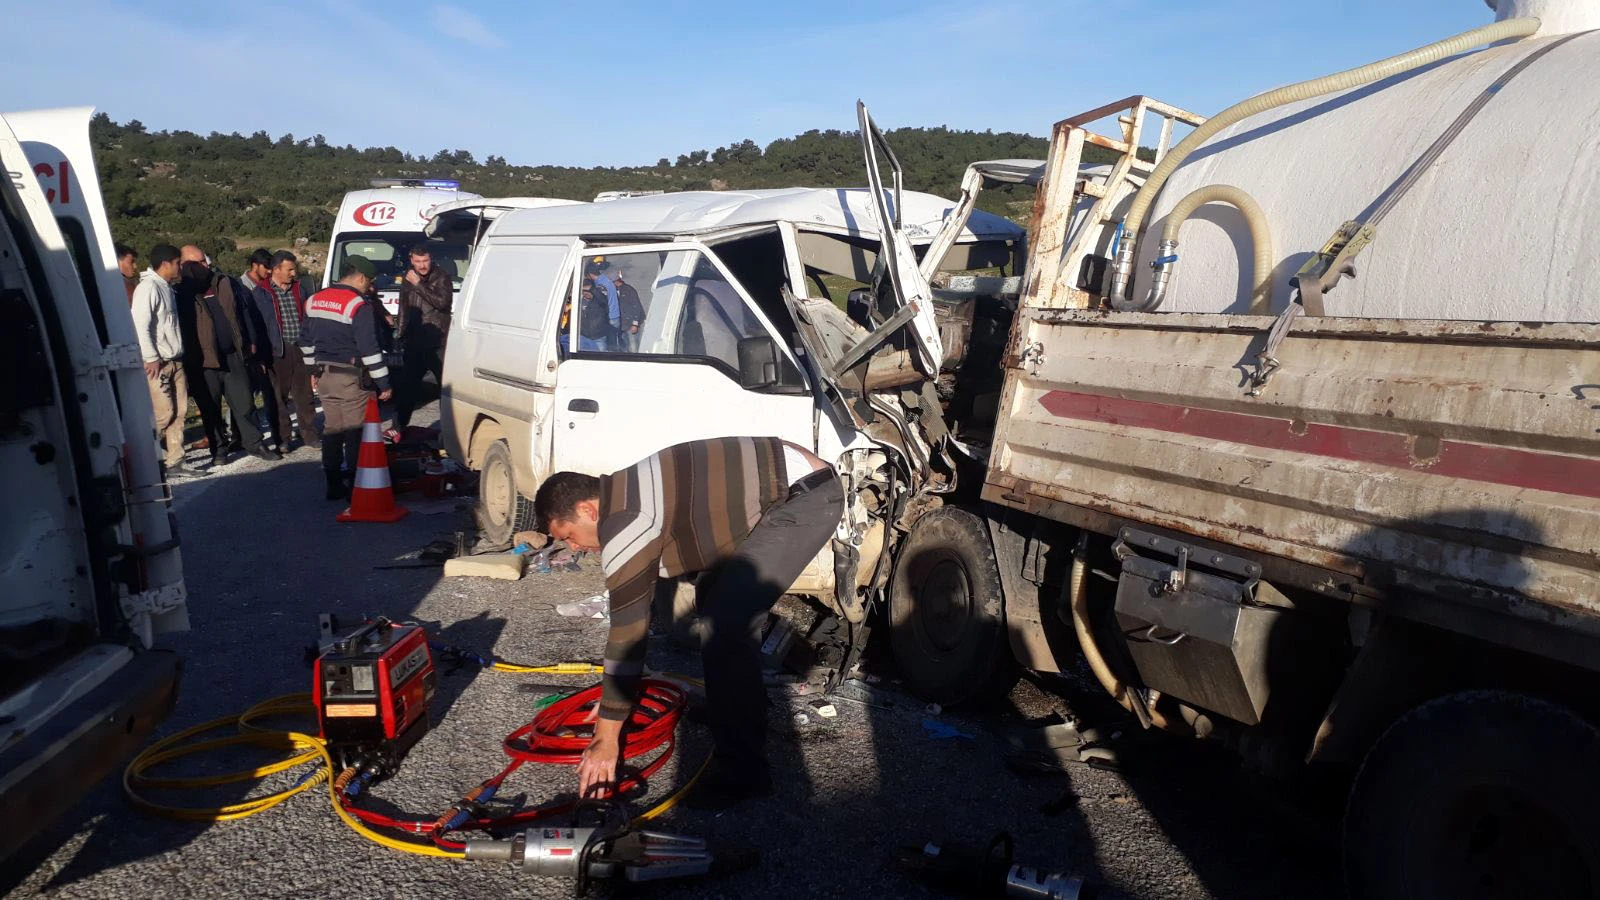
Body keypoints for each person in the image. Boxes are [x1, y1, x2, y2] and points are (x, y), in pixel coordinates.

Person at [535, 436, 844, 810]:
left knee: (727, 623)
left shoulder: (627, 522)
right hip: (786, 485)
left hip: (805, 498)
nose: (574, 549)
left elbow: (628, 632)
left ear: (588, 509)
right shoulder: (624, 490)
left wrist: (606, 735)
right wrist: (614, 698)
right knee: (714, 597)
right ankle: (738, 706)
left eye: (568, 536)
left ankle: (745, 774)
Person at [302, 256, 392, 500]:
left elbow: (306, 342)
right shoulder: (357, 305)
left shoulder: (314, 300)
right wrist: (384, 383)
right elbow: (370, 349)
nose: (370, 288)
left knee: (332, 429)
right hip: (350, 378)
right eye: (370, 282)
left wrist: (312, 372)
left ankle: (332, 484)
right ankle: (355, 487)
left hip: (324, 376)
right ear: (361, 277)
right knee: (354, 432)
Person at [179, 261, 281, 463]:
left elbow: (244, 313)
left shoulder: (225, 284)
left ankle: (254, 443)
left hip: (233, 355)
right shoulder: (182, 293)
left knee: (245, 403)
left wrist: (250, 340)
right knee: (211, 409)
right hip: (204, 362)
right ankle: (219, 451)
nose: (203, 267)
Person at [130, 244, 198, 477]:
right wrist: (150, 357)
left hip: (175, 360)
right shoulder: (148, 287)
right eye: (178, 263)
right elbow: (140, 324)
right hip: (158, 363)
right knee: (163, 413)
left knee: (179, 412)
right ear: (166, 263)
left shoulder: (167, 287)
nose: (180, 267)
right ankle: (139, 457)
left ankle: (175, 460)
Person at [248, 251, 321, 452]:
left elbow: (308, 317)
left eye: (293, 269)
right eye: (289, 269)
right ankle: (283, 439)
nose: (293, 273)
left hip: (300, 348)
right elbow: (256, 325)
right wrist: (260, 355)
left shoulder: (300, 289)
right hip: (275, 351)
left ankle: (310, 435)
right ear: (276, 269)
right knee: (277, 398)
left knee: (304, 395)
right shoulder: (260, 293)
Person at [393, 244, 452, 430]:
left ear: (430, 258)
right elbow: (404, 307)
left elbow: (443, 303)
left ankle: (449, 430)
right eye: (418, 262)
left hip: (437, 341)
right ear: (411, 260)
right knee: (407, 387)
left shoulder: (441, 276)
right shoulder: (408, 277)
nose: (422, 265)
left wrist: (419, 284)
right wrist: (400, 333)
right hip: (414, 340)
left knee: (446, 388)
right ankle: (398, 426)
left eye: (425, 261)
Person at [613, 269, 644, 352]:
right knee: (624, 346)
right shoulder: (614, 291)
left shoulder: (629, 290)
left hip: (631, 324)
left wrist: (635, 324)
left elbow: (636, 306)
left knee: (633, 347)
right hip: (621, 325)